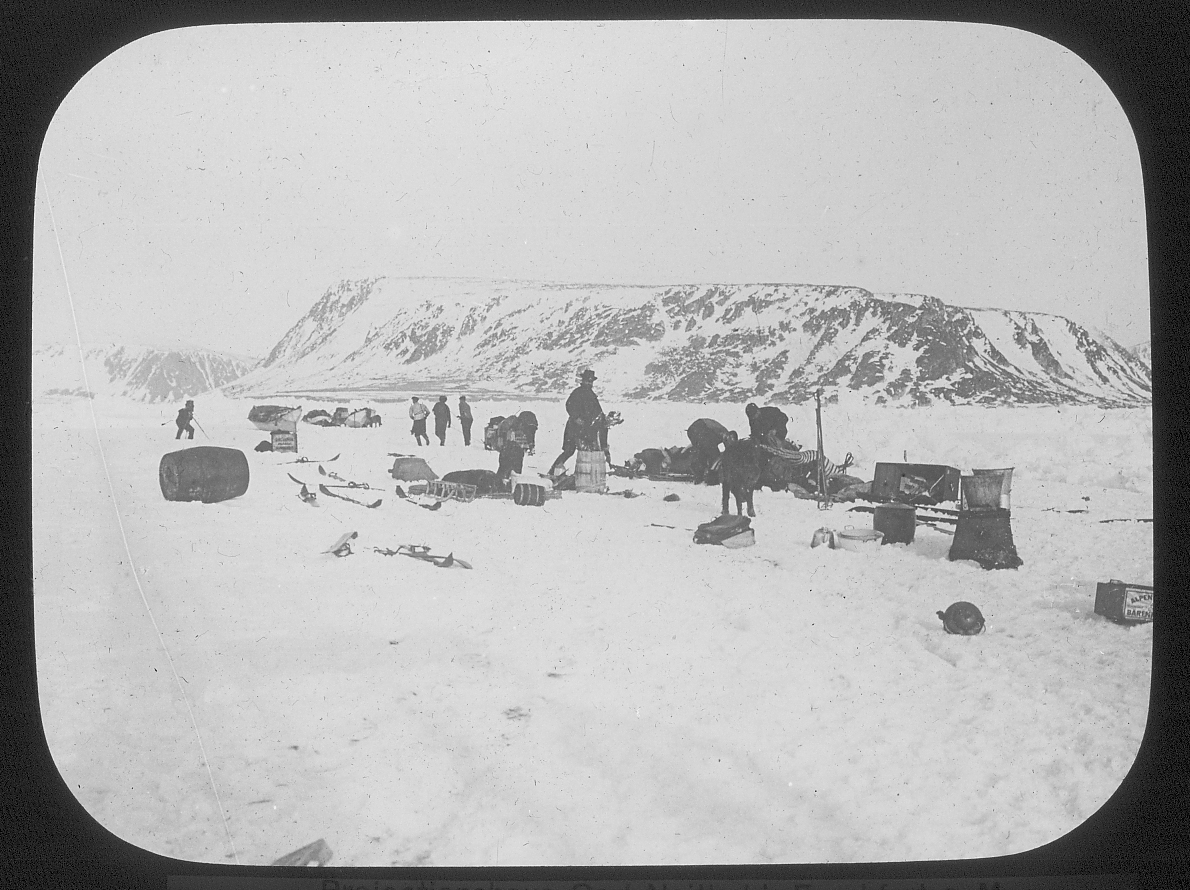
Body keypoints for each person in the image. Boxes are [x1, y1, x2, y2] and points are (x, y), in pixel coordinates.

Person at [549, 369, 609, 476]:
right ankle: (553, 471)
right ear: (583, 381)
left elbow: (598, 411)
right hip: (573, 428)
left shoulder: (592, 395)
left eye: (590, 381)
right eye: (587, 381)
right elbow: (569, 405)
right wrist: (576, 418)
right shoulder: (577, 393)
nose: (589, 383)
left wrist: (604, 419)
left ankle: (584, 474)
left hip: (586, 429)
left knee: (587, 453)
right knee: (569, 451)